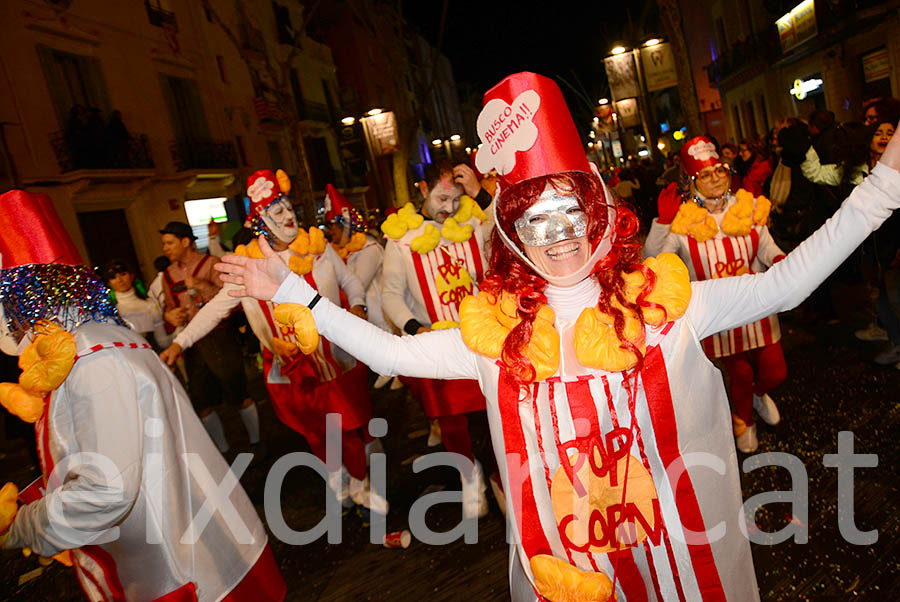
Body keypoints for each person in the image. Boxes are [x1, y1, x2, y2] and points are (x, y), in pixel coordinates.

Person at [215, 72, 900, 601]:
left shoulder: (666, 306)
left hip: (680, 564)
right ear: (512, 236)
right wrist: (292, 292)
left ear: (599, 212)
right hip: (570, 573)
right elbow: (391, 352)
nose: (561, 233)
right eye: (536, 219)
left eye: (571, 209)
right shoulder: (493, 338)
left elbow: (787, 285)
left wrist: (882, 189)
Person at [0, 189, 285, 602]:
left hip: (177, 571)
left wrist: (27, 524)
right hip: (191, 550)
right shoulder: (101, 342)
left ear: (19, 295)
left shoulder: (93, 360)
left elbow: (107, 490)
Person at [160, 170, 386, 514]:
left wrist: (357, 307)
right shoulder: (250, 267)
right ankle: (338, 482)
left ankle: (361, 484)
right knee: (317, 431)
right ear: (261, 222)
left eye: (288, 207)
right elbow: (215, 310)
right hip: (290, 366)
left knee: (349, 424)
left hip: (335, 356)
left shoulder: (319, 251)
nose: (288, 215)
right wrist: (181, 343)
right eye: (277, 211)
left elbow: (352, 283)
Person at [380, 159, 496, 519]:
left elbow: (506, 226)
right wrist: (415, 328)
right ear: (422, 190)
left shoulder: (475, 223)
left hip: (482, 338)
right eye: (441, 197)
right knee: (452, 421)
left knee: (494, 412)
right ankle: (468, 475)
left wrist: (480, 192)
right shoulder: (401, 239)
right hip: (437, 343)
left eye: (455, 198)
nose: (447, 208)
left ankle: (503, 474)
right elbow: (390, 295)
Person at [158, 220, 261, 455]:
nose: (166, 248)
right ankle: (223, 451)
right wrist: (171, 315)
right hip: (191, 341)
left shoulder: (212, 264)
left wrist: (202, 285)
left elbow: (231, 302)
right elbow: (168, 308)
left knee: (238, 393)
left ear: (186, 242)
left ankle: (256, 441)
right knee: (202, 401)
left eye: (169, 242)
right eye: (164, 244)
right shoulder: (168, 275)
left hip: (219, 337)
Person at [323, 184, 400, 390]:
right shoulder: (341, 250)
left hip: (381, 313)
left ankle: (398, 374)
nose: (330, 231)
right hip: (366, 317)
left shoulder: (369, 248)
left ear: (345, 223)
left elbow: (358, 281)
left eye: (332, 225)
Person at [103, 258, 167, 348]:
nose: (119, 280)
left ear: (131, 276)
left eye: (123, 274)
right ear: (109, 283)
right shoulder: (110, 312)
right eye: (113, 277)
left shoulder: (150, 305)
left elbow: (163, 342)